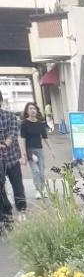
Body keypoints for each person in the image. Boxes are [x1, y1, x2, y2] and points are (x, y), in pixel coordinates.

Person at [0, 89, 27, 227]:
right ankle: (7, 215)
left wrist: (5, 143)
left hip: (12, 159)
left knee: (18, 186)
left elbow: (12, 133)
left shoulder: (10, 116)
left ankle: (22, 210)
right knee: (1, 190)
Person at [20, 102, 53, 198]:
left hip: (39, 150)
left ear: (36, 110)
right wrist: (24, 154)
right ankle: (38, 191)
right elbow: (23, 140)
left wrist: (51, 150)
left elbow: (45, 137)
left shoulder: (40, 124)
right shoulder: (24, 124)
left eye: (34, 108)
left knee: (41, 171)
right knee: (36, 171)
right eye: (30, 108)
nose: (32, 110)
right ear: (27, 111)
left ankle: (42, 189)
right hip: (30, 151)